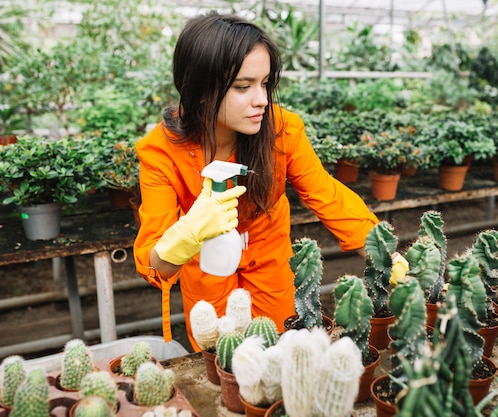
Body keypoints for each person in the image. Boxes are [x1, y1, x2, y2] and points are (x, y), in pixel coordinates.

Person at [133, 11, 408, 351]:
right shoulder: (160, 152)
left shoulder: (283, 131)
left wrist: (384, 253)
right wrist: (190, 231)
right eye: (243, 87)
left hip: (268, 250)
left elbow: (326, 195)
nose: (261, 99)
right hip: (208, 259)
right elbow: (153, 260)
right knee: (220, 351)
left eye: (264, 84)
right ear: (201, 89)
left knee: (280, 341)